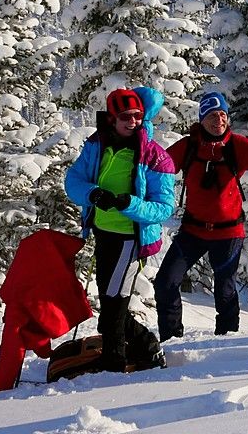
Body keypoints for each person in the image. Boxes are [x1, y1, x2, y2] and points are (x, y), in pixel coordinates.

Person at [153, 91, 248, 340]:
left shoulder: (237, 146)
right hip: (193, 231)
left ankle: (225, 341)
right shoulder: (188, 146)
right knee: (165, 282)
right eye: (212, 115)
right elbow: (159, 166)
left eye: (223, 115)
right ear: (201, 119)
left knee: (224, 290)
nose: (219, 120)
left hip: (228, 233)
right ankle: (171, 339)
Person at [64, 86, 177, 371]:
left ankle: (114, 364)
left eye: (137, 116)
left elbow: (164, 208)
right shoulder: (96, 145)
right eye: (125, 116)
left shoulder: (155, 156)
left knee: (114, 303)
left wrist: (130, 204)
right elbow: (73, 180)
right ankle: (148, 347)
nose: (132, 121)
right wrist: (92, 194)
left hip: (131, 238)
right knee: (109, 303)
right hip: (103, 233)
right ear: (111, 118)